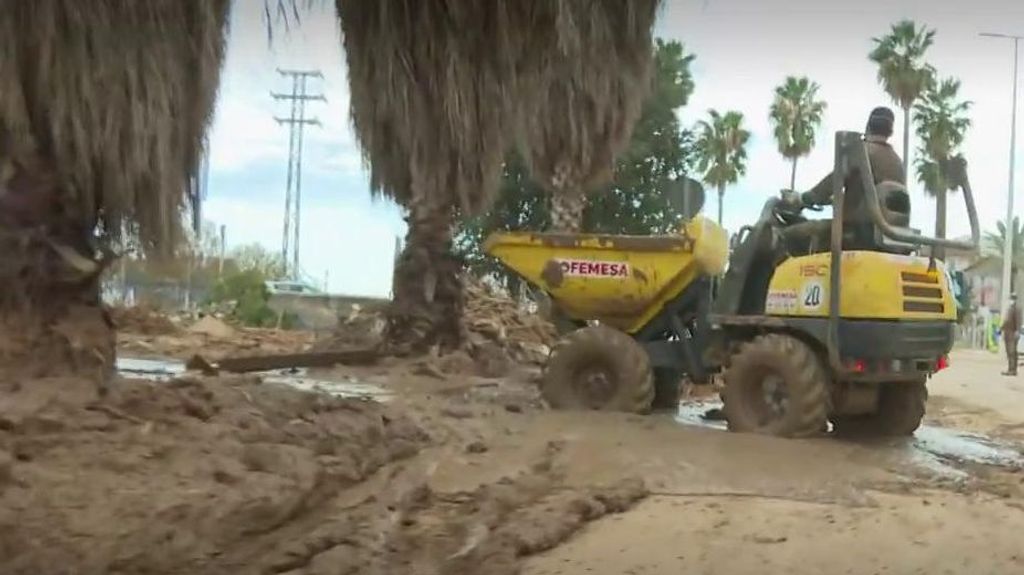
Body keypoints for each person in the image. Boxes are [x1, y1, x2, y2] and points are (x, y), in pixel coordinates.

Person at [782, 106, 906, 249]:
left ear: (868, 127)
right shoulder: (897, 161)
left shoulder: (861, 151)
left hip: (855, 230)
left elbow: (833, 180)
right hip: (884, 233)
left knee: (789, 234)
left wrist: (805, 198)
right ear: (890, 131)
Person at [1002, 294, 1021, 376]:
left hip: (1012, 333)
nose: (1011, 300)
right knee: (1009, 352)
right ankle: (1010, 368)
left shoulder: (1016, 309)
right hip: (1007, 333)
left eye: (1013, 298)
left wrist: (1017, 331)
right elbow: (1006, 321)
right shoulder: (1010, 309)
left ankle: (1013, 370)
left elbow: (1018, 321)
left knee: (1012, 352)